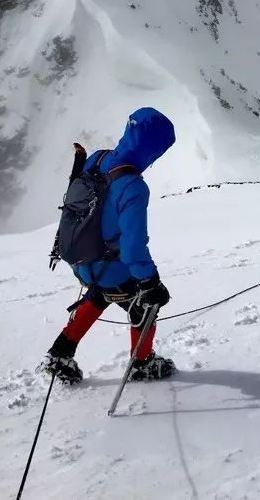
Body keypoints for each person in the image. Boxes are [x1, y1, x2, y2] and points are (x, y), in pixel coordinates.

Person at [42, 107, 176, 384]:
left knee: (100, 294)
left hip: (81, 261)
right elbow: (133, 247)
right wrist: (150, 283)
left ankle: (59, 353)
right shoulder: (133, 186)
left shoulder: (97, 159)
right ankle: (142, 363)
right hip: (110, 267)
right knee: (143, 305)